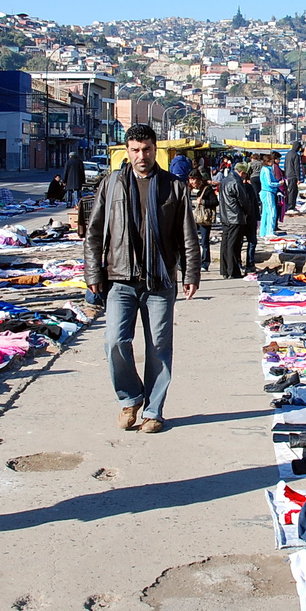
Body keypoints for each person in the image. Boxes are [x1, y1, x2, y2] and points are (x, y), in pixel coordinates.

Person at [84, 124, 200, 433]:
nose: (141, 156)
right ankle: (130, 397)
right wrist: (92, 271)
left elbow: (187, 234)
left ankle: (153, 411)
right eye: (135, 150)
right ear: (127, 151)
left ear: (155, 150)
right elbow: (94, 232)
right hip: (120, 279)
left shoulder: (173, 187)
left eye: (147, 149)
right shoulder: (111, 185)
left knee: (158, 346)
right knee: (114, 341)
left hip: (160, 281)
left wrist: (191, 273)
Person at [188, 169, 218, 271]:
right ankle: (192, 261)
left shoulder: (206, 189)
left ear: (198, 179)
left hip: (203, 219)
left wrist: (203, 202)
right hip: (192, 217)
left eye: (193, 179)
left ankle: (205, 262)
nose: (192, 182)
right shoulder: (189, 189)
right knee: (191, 241)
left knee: (205, 241)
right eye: (190, 180)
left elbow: (215, 202)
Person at [258, 153, 280, 240]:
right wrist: (279, 184)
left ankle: (263, 232)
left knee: (265, 213)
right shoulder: (266, 170)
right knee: (272, 211)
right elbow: (269, 182)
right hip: (267, 192)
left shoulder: (267, 169)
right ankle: (270, 231)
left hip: (267, 192)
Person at [282, 142, 301, 217]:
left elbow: (285, 165)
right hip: (293, 175)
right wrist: (298, 178)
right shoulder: (296, 155)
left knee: (288, 191)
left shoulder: (288, 154)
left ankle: (288, 205)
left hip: (287, 175)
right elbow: (297, 167)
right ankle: (291, 206)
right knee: (293, 191)